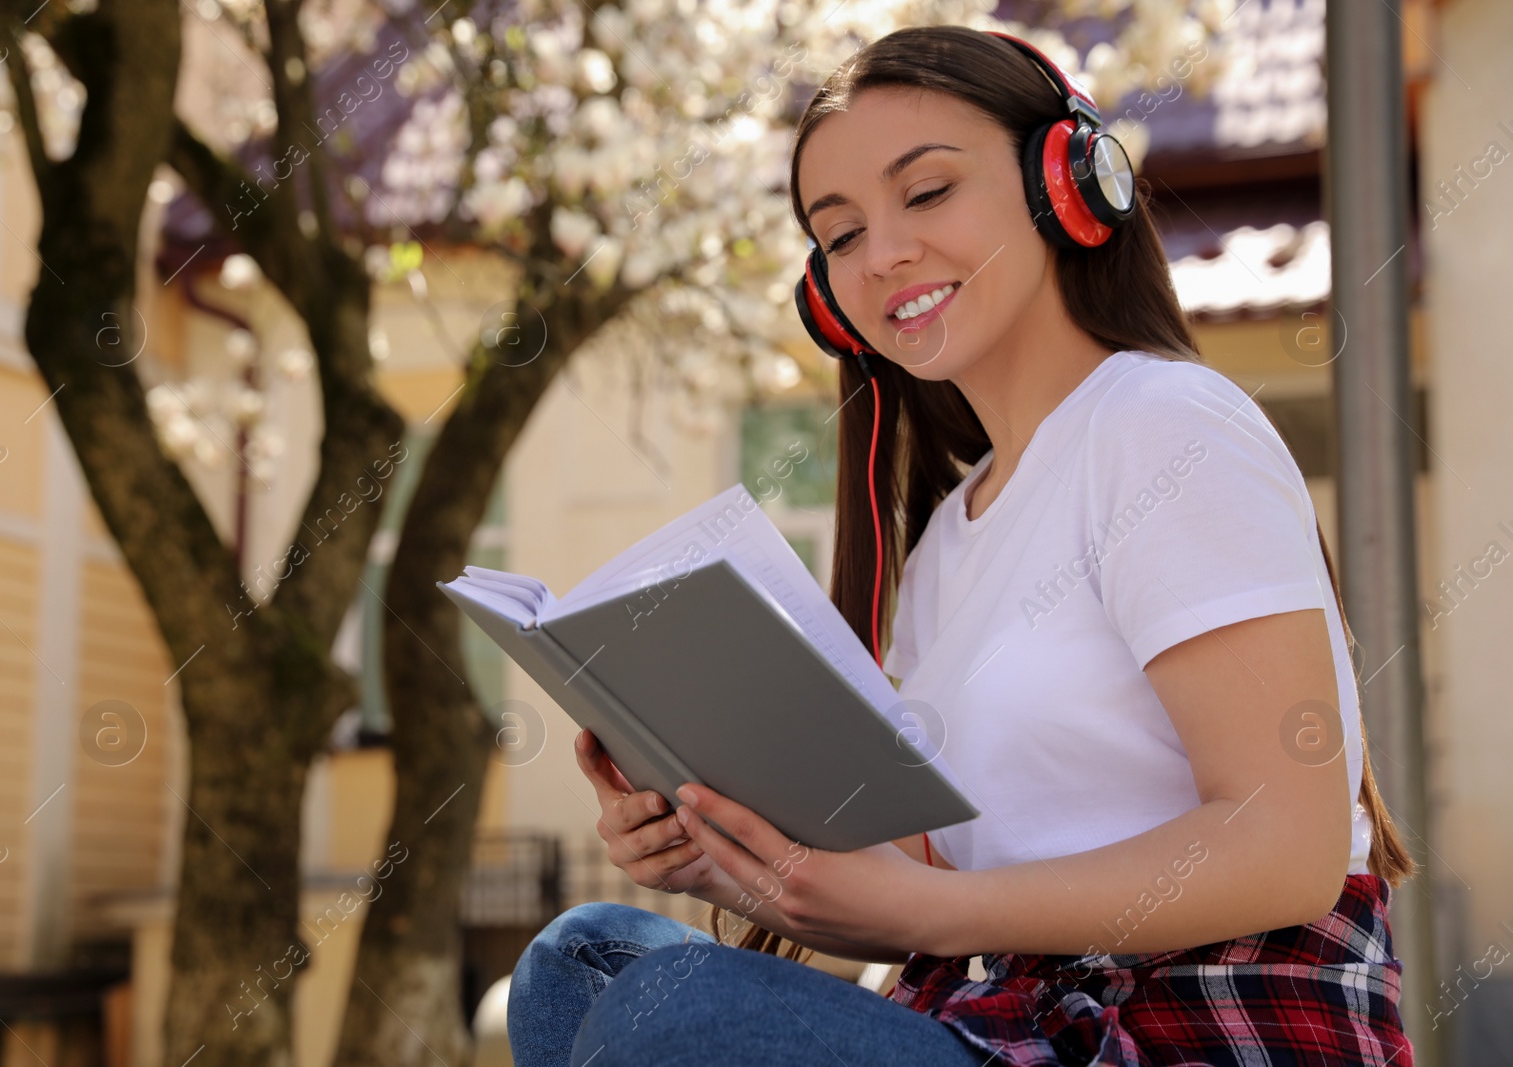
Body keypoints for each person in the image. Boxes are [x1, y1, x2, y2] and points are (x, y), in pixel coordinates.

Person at [506, 25, 1415, 1066]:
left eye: (926, 192)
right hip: (1008, 1010)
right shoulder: (953, 530)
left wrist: (940, 913)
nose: (882, 252)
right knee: (583, 959)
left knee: (674, 1010)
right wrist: (715, 843)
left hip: (1188, 1026)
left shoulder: (1163, 426)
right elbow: (929, 876)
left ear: (1067, 186)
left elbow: (1286, 849)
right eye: (839, 233)